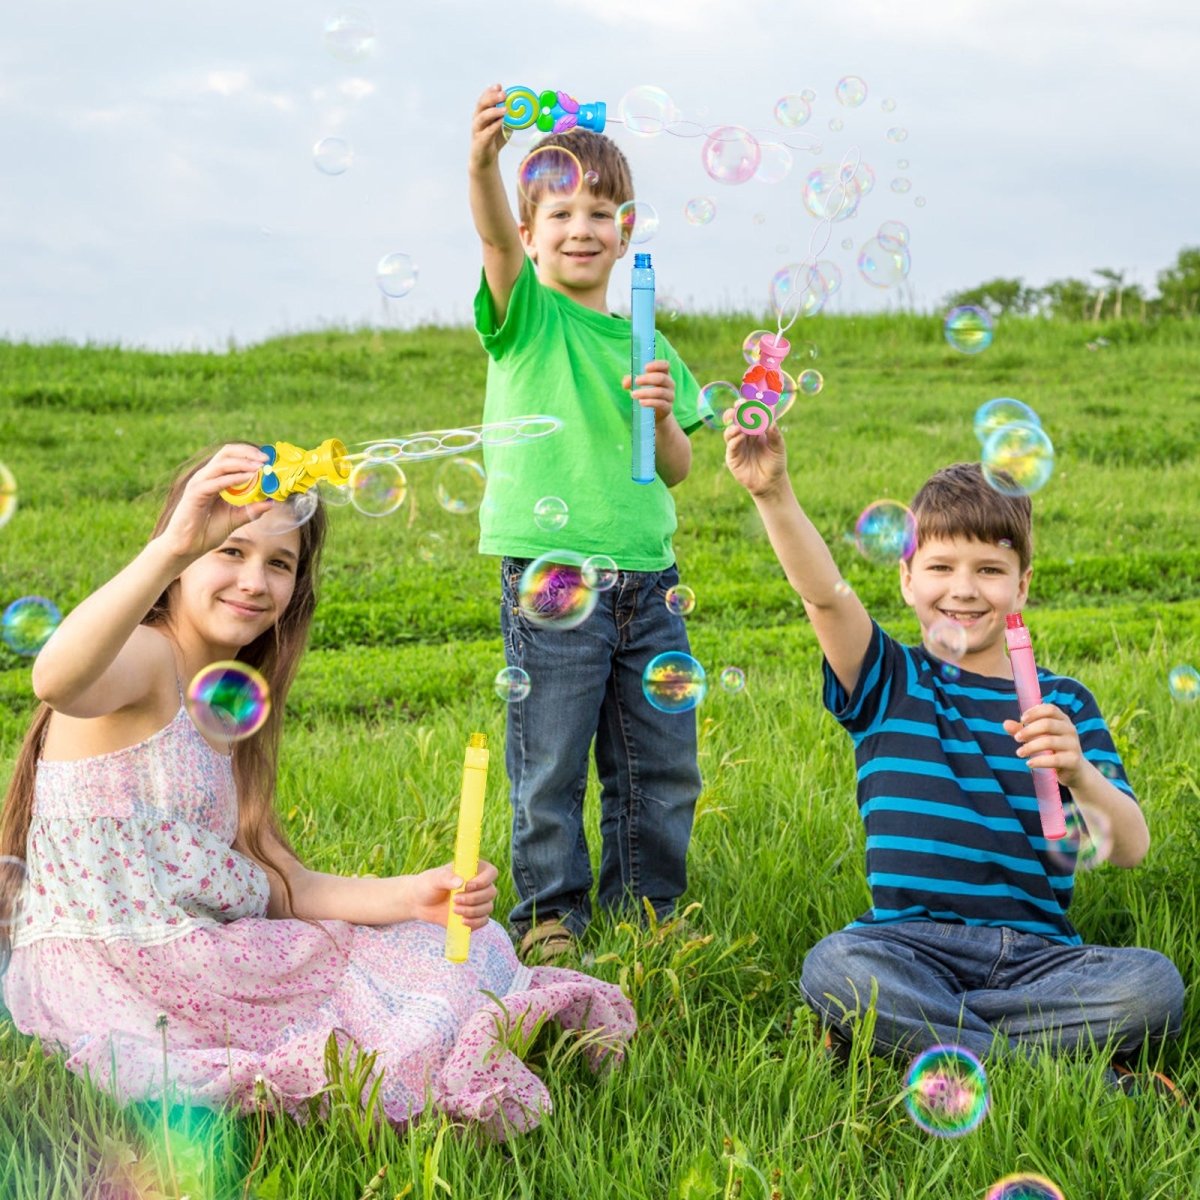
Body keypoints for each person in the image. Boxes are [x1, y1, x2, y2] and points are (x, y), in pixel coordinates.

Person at [0, 445, 635, 1139]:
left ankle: (411, 1054)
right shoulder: (148, 658)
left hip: (192, 947)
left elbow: (285, 883)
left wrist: (412, 893)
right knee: (382, 996)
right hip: (119, 964)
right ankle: (409, 1086)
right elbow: (55, 680)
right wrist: (174, 545)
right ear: (182, 559)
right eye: (229, 551)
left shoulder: (227, 701)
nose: (253, 580)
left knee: (453, 945)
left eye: (279, 564)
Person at [724, 419, 1184, 1081]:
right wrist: (773, 494)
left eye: (989, 570)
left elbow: (1131, 848)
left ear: (1022, 586)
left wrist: (1078, 770)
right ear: (908, 578)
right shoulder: (890, 680)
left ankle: (929, 1038)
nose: (963, 589)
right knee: (836, 963)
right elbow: (825, 596)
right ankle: (1056, 1071)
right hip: (908, 944)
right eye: (941, 567)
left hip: (1038, 958)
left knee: (1152, 985)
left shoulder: (1064, 704)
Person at [467, 85, 704, 962]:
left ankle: (648, 909)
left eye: (600, 211)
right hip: (554, 570)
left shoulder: (649, 341)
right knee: (552, 763)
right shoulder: (526, 314)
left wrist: (668, 417)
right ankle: (549, 916)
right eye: (559, 211)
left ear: (626, 230)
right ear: (530, 235)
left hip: (647, 575)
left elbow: (676, 465)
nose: (581, 227)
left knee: (661, 764)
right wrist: (481, 165)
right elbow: (489, 232)